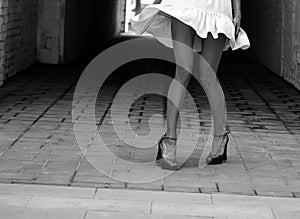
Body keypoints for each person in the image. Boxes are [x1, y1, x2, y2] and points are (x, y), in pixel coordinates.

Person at [130, 0, 250, 170]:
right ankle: (169, 140)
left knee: (208, 75)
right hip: (184, 3)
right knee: (183, 71)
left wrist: (238, 11)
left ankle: (220, 136)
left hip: (217, 7)